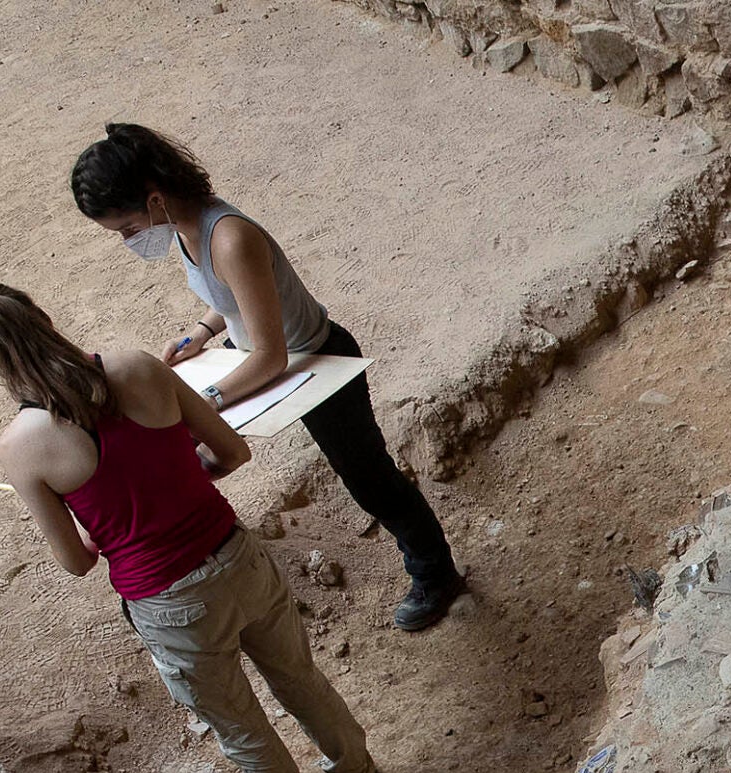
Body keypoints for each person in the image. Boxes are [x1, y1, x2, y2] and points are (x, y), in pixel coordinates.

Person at [0, 280, 384, 773]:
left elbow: (77, 561)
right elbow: (232, 453)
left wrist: (102, 524)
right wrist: (174, 484)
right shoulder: (138, 367)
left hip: (168, 601)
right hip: (235, 554)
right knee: (301, 680)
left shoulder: (21, 446)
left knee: (239, 724)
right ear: (43, 313)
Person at [69, 122, 465, 632]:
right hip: (259, 356)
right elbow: (233, 300)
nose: (130, 240)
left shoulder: (229, 236)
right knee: (192, 454)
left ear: (154, 201)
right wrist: (201, 330)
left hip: (315, 363)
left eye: (127, 228)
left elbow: (272, 356)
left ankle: (435, 572)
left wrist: (205, 399)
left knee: (370, 479)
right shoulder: (187, 226)